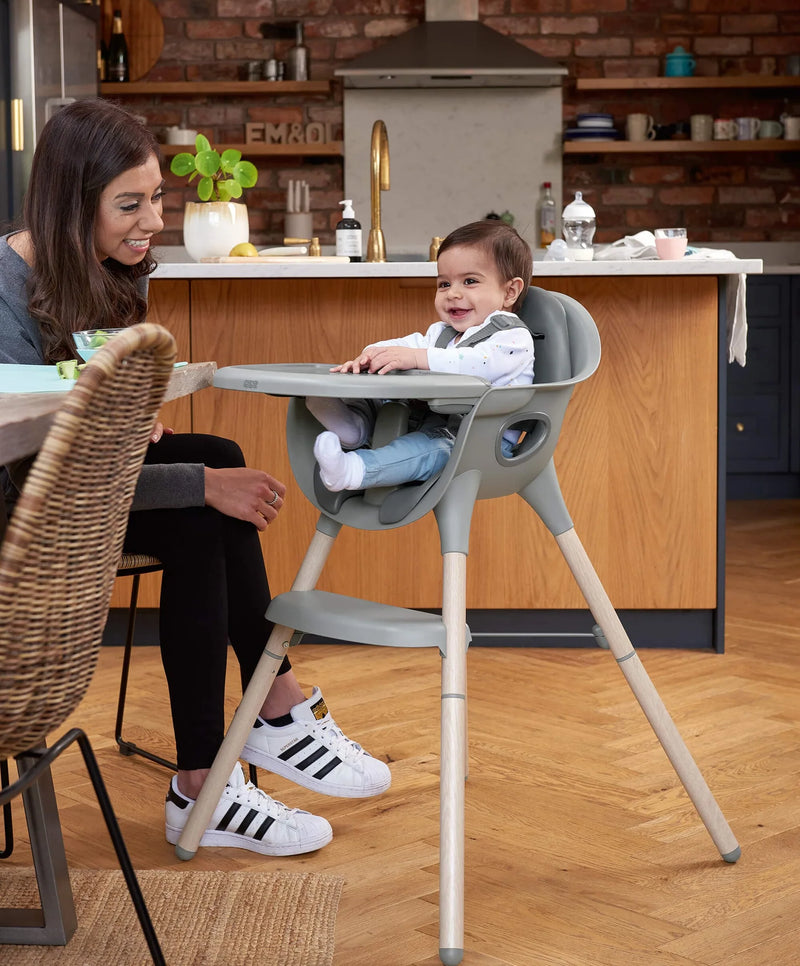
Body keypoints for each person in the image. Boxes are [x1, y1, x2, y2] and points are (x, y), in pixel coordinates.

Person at [0, 98, 390, 857]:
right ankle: (232, 751)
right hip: (23, 513)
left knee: (214, 451)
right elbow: (34, 479)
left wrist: (133, 417)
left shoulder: (100, 266)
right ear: (68, 202)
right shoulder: (1, 292)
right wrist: (196, 486)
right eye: (129, 204)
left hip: (71, 484)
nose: (150, 221)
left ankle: (242, 740)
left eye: (155, 199)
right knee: (205, 501)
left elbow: (86, 411)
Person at [308, 220, 535, 492]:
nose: (453, 293)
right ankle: (354, 426)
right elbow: (407, 344)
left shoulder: (512, 337)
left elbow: (478, 365)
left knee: (423, 450)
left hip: (480, 442)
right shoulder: (443, 333)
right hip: (434, 426)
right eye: (443, 284)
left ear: (509, 291)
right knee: (386, 403)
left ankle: (354, 470)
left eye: (470, 281)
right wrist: (374, 353)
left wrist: (417, 358)